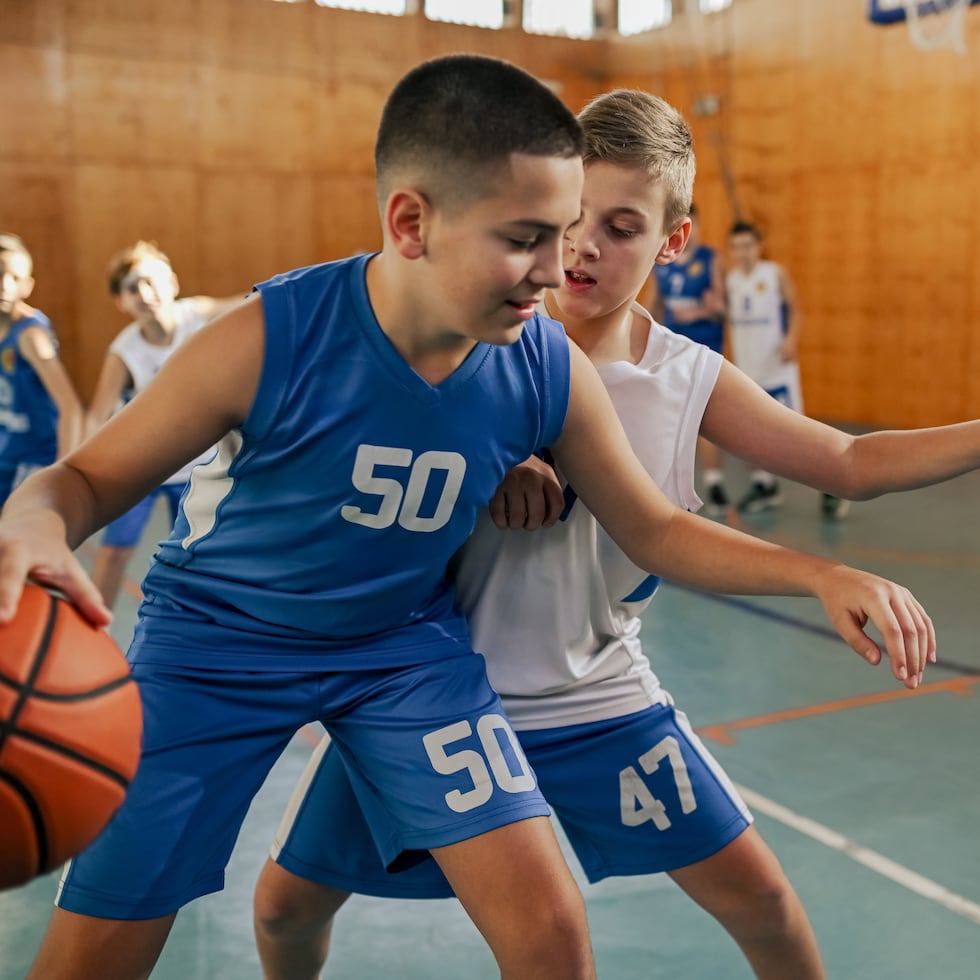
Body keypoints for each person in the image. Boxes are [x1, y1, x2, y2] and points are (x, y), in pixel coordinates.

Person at [0, 59, 932, 980]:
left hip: (399, 654)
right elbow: (76, 483)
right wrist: (38, 522)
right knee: (108, 941)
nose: (555, 267)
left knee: (550, 932)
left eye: (568, 232)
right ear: (412, 222)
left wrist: (819, 572)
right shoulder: (264, 338)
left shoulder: (546, 365)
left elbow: (652, 526)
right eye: (530, 237)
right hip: (217, 646)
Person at [251, 89, 968, 980]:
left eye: (621, 226)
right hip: (436, 694)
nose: (585, 245)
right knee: (285, 906)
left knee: (766, 904)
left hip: (598, 699)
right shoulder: (473, 337)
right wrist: (483, 464)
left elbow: (850, 460)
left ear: (674, 240)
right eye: (572, 217)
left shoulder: (684, 376)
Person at [86, 241, 245, 609]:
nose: (144, 293)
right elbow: (97, 414)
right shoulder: (124, 352)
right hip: (144, 465)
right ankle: (91, 630)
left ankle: (199, 623)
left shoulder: (198, 313)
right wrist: (80, 470)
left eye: (150, 281)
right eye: (131, 287)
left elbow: (255, 302)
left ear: (172, 283)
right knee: (113, 553)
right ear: (121, 303)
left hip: (198, 466)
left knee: (197, 553)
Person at [726, 221, 848, 519]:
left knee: (799, 436)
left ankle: (833, 486)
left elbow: (796, 308)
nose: (743, 252)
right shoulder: (730, 280)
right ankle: (764, 485)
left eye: (748, 245)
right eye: (737, 246)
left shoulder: (774, 273)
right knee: (748, 434)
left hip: (777, 369)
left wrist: (791, 339)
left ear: (759, 246)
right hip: (747, 370)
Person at [649, 203, 730, 513]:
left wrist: (704, 310)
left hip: (706, 348)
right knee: (669, 418)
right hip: (672, 351)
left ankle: (715, 482)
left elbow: (724, 308)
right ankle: (666, 488)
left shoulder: (711, 260)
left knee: (705, 421)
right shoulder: (662, 263)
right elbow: (654, 305)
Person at [0, 233, 83, 505]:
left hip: (35, 460)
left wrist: (62, 471)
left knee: (18, 540)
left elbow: (70, 407)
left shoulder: (31, 336)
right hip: (8, 452)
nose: (4, 285)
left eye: (13, 278)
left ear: (27, 286)